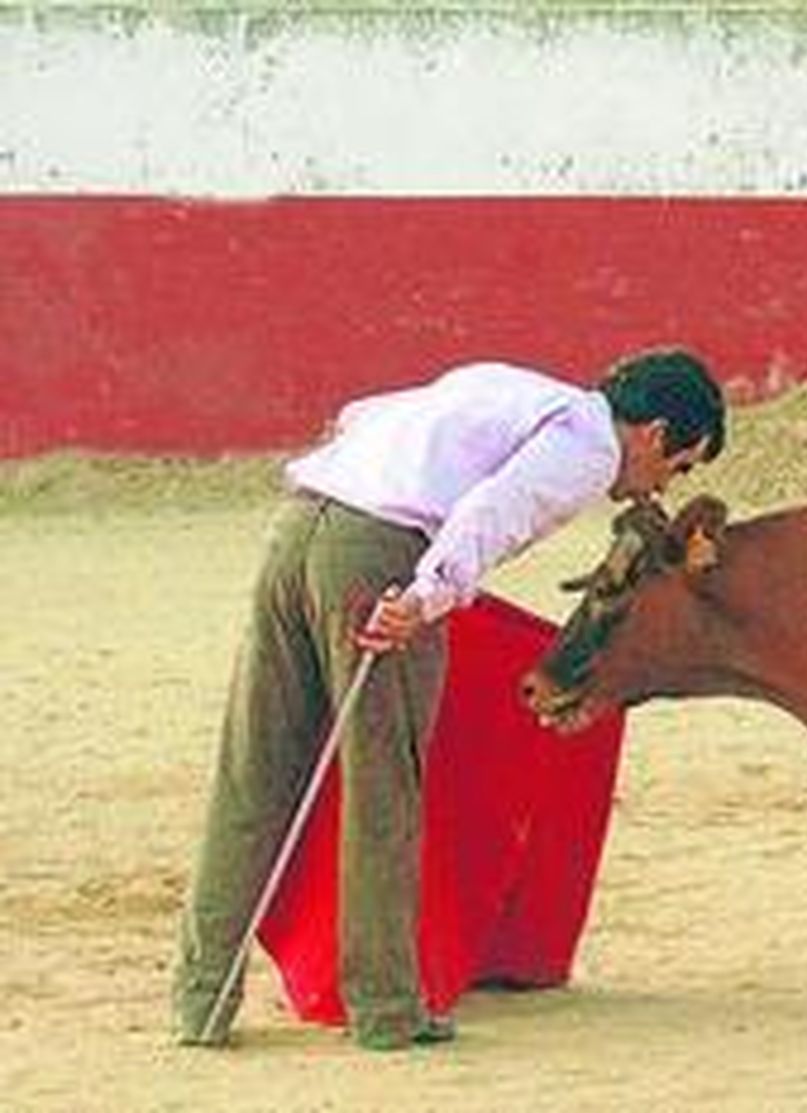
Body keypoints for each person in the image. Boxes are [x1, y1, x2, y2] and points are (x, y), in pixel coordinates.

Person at [172, 347, 725, 1051]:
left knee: (252, 774)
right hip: (375, 558)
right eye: (677, 465)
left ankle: (199, 1001)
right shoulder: (587, 446)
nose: (658, 485)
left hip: (294, 532)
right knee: (384, 786)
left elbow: (363, 416)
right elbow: (494, 511)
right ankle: (385, 1008)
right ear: (652, 432)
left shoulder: (510, 387)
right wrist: (427, 594)